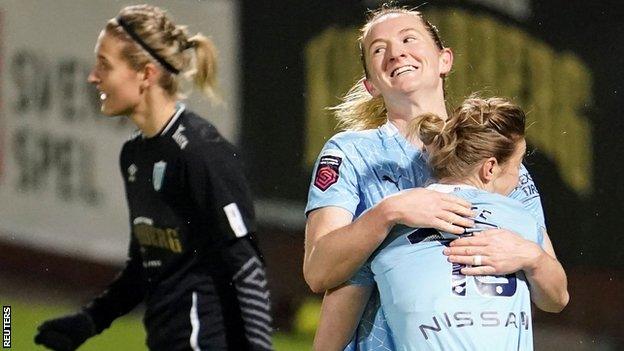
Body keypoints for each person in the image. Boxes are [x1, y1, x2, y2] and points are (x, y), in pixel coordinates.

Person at [303, 6, 568, 351]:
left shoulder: (496, 156)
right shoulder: (351, 153)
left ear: (445, 60)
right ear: (371, 86)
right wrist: (388, 213)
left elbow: (555, 297)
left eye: (408, 39)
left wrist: (531, 257)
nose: (396, 52)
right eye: (379, 50)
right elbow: (318, 272)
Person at [33, 5, 272, 351]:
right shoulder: (135, 156)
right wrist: (90, 320)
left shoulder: (200, 152)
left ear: (145, 74)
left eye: (105, 64)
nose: (93, 76)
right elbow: (145, 266)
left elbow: (246, 264)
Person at [325, 96, 568, 350]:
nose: (519, 180)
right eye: (517, 166)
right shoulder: (519, 220)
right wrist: (534, 257)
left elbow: (337, 308)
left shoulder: (387, 226)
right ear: (490, 168)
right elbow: (557, 299)